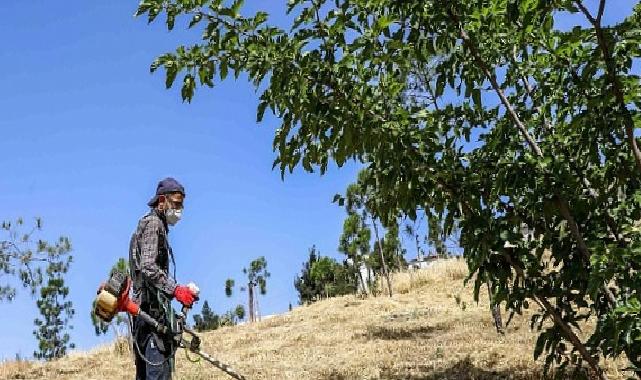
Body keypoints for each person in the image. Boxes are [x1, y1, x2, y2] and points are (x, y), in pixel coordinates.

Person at [129, 177, 198, 380]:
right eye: (176, 204)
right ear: (162, 201)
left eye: (182, 206)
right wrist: (177, 290)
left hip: (145, 316)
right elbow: (148, 266)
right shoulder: (153, 224)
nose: (179, 211)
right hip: (150, 318)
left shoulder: (152, 224)